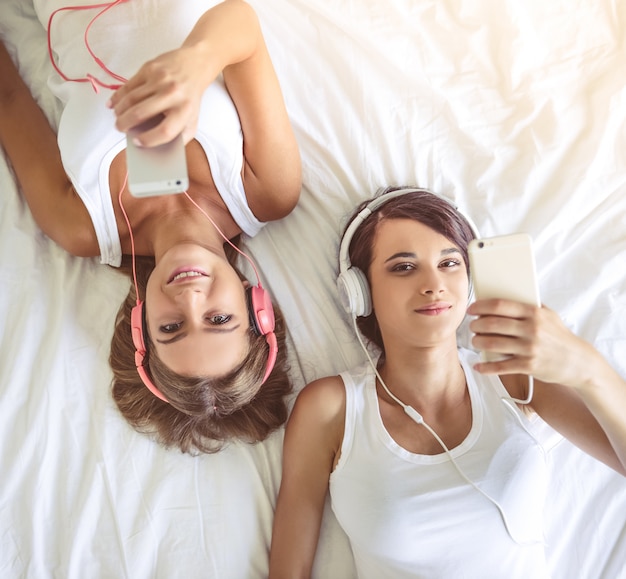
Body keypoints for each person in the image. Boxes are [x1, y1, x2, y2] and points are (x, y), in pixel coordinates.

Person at [269, 187, 626, 578]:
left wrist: (588, 368)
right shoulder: (331, 407)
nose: (434, 284)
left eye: (450, 263)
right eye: (404, 267)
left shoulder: (514, 378)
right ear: (360, 293)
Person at [0, 0, 301, 453]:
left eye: (172, 328)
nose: (190, 299)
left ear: (141, 324)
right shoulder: (266, 190)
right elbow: (242, 27)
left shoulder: (81, 227)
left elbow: (7, 100)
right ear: (255, 306)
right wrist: (196, 64)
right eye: (218, 319)